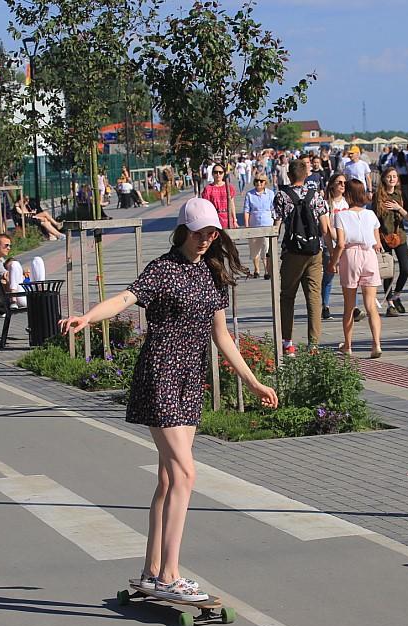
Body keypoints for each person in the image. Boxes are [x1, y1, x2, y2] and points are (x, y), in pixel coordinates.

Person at [59, 198, 278, 603]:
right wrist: (88, 316)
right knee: (186, 475)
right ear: (182, 232)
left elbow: (222, 336)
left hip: (189, 379)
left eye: (212, 234)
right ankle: (170, 577)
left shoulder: (211, 275)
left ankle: (152, 571)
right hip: (160, 374)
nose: (205, 241)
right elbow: (126, 298)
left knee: (168, 478)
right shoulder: (163, 269)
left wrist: (252, 381)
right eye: (198, 234)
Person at [273, 158, 330, 356]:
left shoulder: (281, 195)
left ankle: (287, 343)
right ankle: (313, 345)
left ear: (289, 175)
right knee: (314, 297)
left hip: (292, 252)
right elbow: (324, 227)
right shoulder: (317, 196)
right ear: (306, 175)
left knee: (287, 296)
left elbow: (276, 226)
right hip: (315, 251)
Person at [328, 179, 383, 358]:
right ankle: (376, 344)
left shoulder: (341, 216)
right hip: (369, 255)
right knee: (371, 305)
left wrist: (333, 262)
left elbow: (341, 243)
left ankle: (348, 345)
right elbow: (377, 243)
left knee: (349, 305)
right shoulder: (371, 215)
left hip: (350, 256)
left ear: (349, 195)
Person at [372, 167, 408, 317]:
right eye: (389, 177)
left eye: (394, 176)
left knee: (405, 268)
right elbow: (374, 220)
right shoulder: (378, 196)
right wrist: (376, 240)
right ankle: (390, 303)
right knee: (388, 272)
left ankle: (397, 294)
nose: (392, 179)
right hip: (384, 238)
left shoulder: (400, 194)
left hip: (399, 236)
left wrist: (398, 208)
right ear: (384, 179)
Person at [323, 173, 361, 322]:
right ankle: (324, 305)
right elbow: (326, 227)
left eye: (344, 183)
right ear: (332, 184)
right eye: (339, 182)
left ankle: (355, 307)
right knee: (329, 275)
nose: (342, 185)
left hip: (347, 242)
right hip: (331, 242)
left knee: (352, 275)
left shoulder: (348, 203)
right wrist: (336, 243)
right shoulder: (326, 203)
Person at [242, 172, 275, 279]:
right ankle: (256, 269)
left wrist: (275, 224)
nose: (259, 183)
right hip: (254, 224)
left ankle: (267, 270)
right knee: (254, 248)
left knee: (266, 248)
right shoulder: (250, 194)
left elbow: (273, 209)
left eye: (261, 181)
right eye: (256, 181)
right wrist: (247, 225)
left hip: (267, 224)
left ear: (265, 182)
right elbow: (247, 210)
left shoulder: (270, 193)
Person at [0, 233, 27, 308]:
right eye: (6, 245)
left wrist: (21, 273)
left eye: (10, 246)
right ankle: (13, 301)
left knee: (37, 260)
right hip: (17, 297)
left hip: (18, 290)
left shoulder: (0, 259)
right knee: (14, 264)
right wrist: (22, 275)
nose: (8, 248)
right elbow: (9, 277)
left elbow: (10, 277)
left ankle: (40, 288)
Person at [200, 163, 238, 229]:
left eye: (220, 172)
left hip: (227, 218)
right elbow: (206, 206)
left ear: (224, 174)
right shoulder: (208, 189)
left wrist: (234, 220)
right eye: (215, 172)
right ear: (212, 174)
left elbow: (232, 204)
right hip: (214, 218)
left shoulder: (229, 188)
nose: (218, 174)